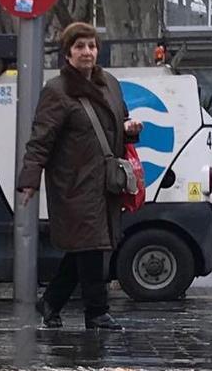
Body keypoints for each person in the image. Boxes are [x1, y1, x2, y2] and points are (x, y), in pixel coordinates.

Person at [17, 22, 143, 329]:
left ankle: (51, 302)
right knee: (91, 246)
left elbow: (118, 123)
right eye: (79, 47)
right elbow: (40, 140)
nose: (87, 52)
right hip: (73, 183)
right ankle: (96, 312)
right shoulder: (56, 92)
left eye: (91, 46)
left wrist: (128, 131)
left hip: (104, 182)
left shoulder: (109, 83)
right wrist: (29, 181)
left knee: (86, 246)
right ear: (67, 53)